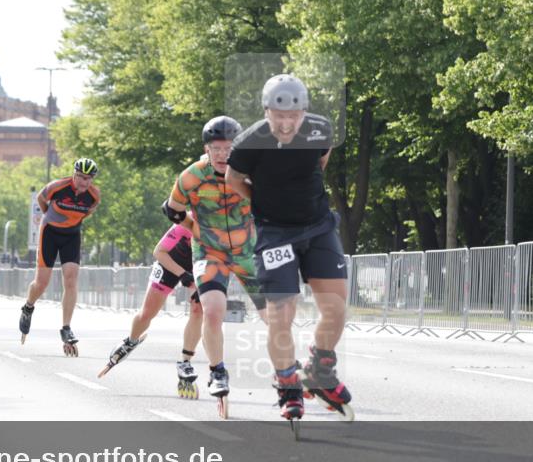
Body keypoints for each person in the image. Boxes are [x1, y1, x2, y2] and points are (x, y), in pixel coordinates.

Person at [225, 74, 353, 424]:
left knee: (337, 307)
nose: (286, 124)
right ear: (266, 112)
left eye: (293, 116)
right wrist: (263, 202)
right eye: (278, 116)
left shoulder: (320, 130)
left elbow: (320, 163)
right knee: (281, 315)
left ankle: (320, 368)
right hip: (275, 233)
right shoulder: (249, 143)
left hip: (317, 225)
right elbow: (233, 181)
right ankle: (288, 385)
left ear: (304, 112)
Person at [163, 117, 267, 417]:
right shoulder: (192, 176)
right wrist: (195, 229)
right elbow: (172, 209)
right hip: (210, 253)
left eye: (228, 148)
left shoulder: (251, 172)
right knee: (212, 310)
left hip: (248, 253)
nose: (222, 154)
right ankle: (217, 370)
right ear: (206, 149)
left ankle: (288, 373)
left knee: (273, 315)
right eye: (216, 148)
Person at [101, 214, 204, 398]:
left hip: (198, 266)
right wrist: (182, 274)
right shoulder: (188, 220)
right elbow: (158, 252)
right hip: (170, 264)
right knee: (147, 313)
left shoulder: (223, 223)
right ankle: (130, 340)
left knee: (198, 308)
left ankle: (185, 362)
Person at [18, 157, 101, 356]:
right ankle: (28, 307)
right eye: (81, 177)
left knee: (71, 279)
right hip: (50, 233)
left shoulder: (94, 196)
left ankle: (66, 327)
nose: (84, 182)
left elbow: (88, 212)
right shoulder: (57, 187)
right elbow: (40, 198)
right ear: (74, 174)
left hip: (72, 235)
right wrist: (49, 216)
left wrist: (71, 222)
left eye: (88, 179)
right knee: (42, 283)